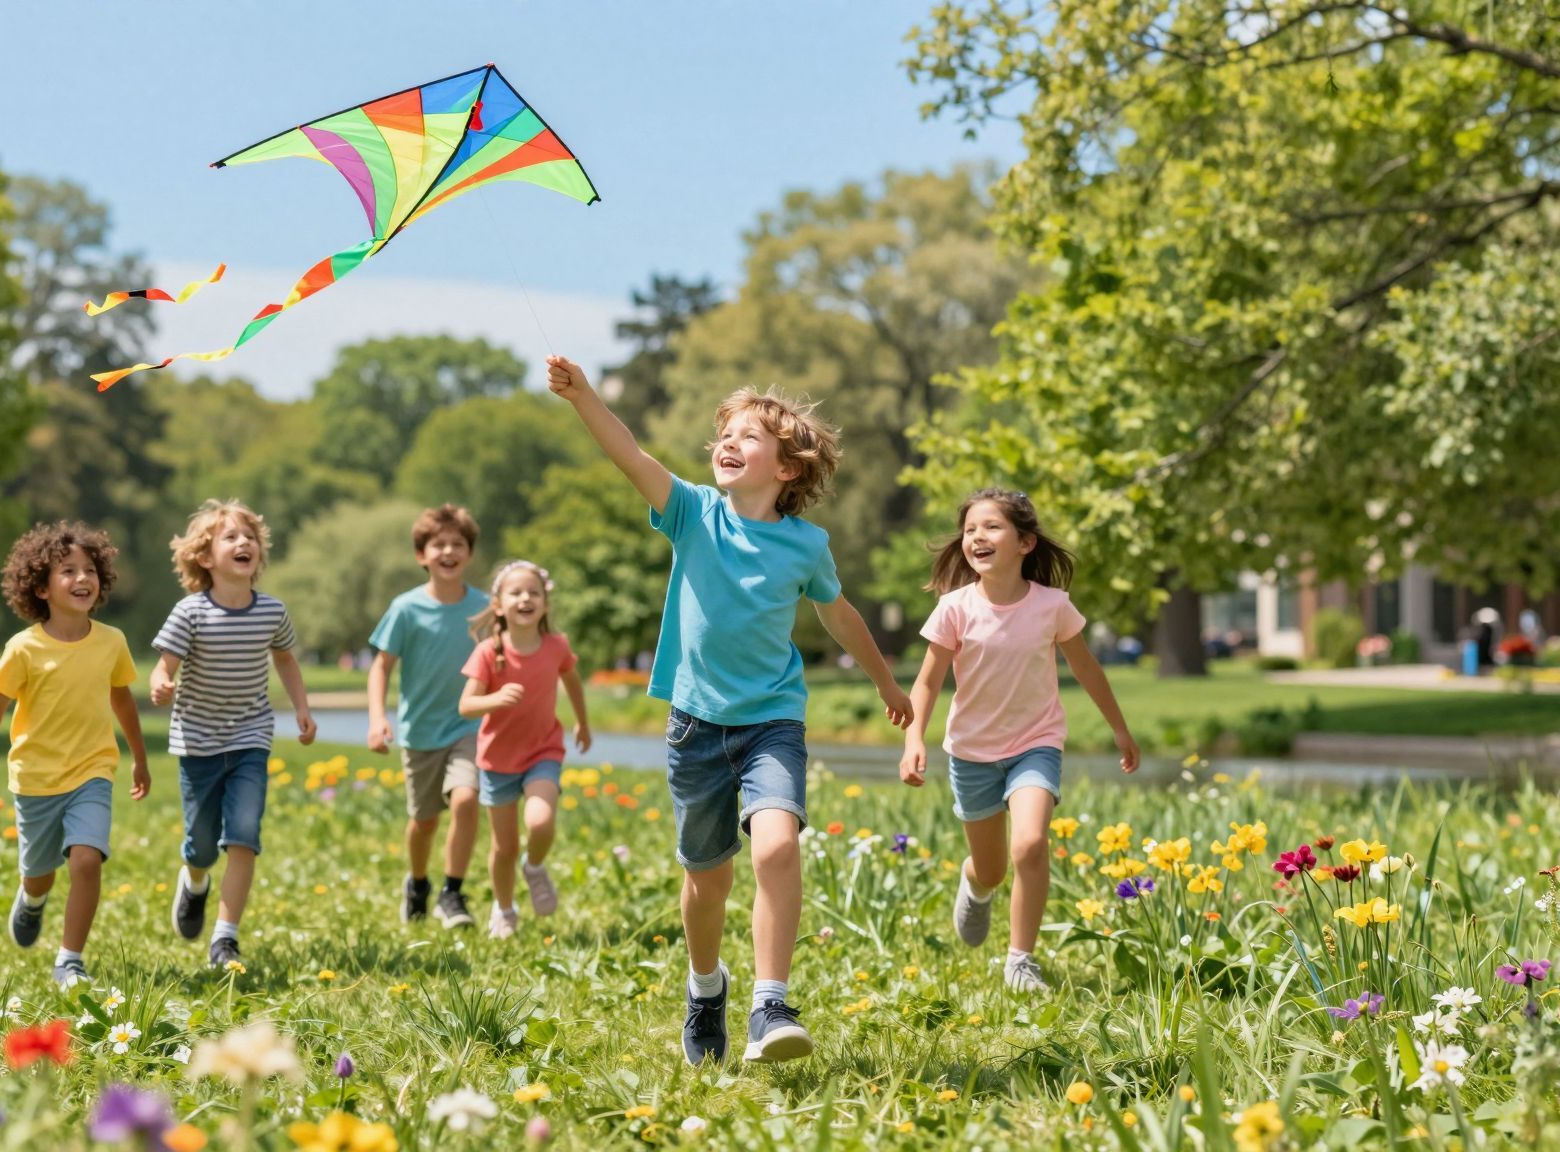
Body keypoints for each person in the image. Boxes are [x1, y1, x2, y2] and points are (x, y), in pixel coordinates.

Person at [546, 354, 913, 1066]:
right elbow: (628, 453)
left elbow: (840, 618)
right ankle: (705, 988)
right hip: (695, 726)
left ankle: (769, 1004)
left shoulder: (806, 544)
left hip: (772, 720)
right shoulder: (691, 512)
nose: (730, 442)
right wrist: (584, 397)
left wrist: (886, 685)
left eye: (749, 436)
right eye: (727, 433)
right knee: (707, 880)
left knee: (776, 845)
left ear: (787, 470)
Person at [899, 488, 1141, 995]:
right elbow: (926, 682)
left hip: (1036, 742)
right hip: (971, 752)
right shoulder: (954, 608)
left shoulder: (1052, 606)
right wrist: (913, 738)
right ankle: (975, 883)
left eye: (991, 527)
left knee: (1030, 845)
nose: (976, 537)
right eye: (969, 530)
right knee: (992, 868)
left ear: (1025, 542)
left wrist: (1119, 728)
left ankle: (1020, 961)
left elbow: (1087, 669)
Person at [0, 522, 149, 990]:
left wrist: (140, 758)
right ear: (41, 587)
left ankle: (70, 959)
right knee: (40, 874)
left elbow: (122, 701)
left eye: (90, 569)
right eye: (68, 570)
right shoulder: (23, 648)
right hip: (36, 779)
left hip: (92, 771)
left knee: (86, 860)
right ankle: (31, 898)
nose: (82, 578)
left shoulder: (112, 642)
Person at [150, 500, 316, 970]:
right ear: (205, 557)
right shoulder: (190, 613)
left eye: (250, 537)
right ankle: (195, 882)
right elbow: (164, 666)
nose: (244, 543)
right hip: (198, 742)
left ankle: (225, 938)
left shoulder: (272, 612)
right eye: (231, 537)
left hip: (250, 736)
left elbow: (284, 658)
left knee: (243, 834)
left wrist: (302, 708)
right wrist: (161, 684)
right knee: (202, 843)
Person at [366, 505, 492, 930]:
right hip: (419, 732)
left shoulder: (485, 610)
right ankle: (417, 883)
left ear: (470, 554)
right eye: (439, 545)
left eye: (458, 544)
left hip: (468, 727)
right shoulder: (406, 609)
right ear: (422, 555)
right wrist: (376, 718)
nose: (449, 552)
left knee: (467, 798)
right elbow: (381, 666)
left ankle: (452, 893)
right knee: (423, 821)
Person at [457, 560, 591, 939]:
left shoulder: (556, 646)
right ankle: (504, 910)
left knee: (539, 821)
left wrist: (582, 721)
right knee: (503, 848)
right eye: (516, 592)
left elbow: (573, 682)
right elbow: (466, 705)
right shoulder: (488, 652)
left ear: (545, 604)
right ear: (499, 604)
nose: (525, 598)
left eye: (534, 592)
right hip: (497, 760)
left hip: (542, 751)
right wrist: (495, 698)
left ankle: (534, 867)